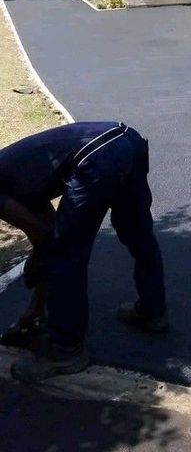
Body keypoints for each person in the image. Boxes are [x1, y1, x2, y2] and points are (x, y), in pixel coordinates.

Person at [0, 121, 167, 383]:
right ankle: (153, 311)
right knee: (136, 232)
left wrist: (35, 271)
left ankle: (66, 350)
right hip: (126, 140)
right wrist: (35, 309)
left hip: (97, 155)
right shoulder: (20, 175)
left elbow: (49, 243)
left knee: (66, 253)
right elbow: (45, 236)